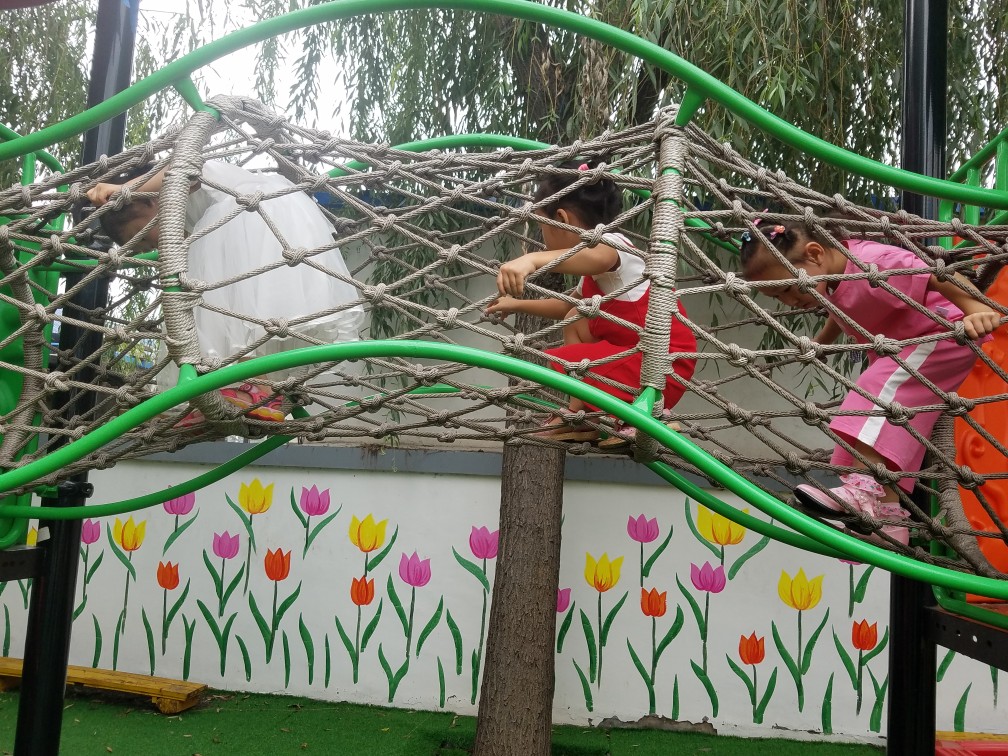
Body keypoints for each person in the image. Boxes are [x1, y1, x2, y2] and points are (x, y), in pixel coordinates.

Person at [739, 218, 1002, 544]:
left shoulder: (872, 262)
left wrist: (975, 308)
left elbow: (935, 274)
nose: (791, 301)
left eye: (789, 289)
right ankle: (888, 520)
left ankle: (861, 492)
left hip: (943, 333)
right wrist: (822, 343)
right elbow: (841, 310)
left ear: (815, 254)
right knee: (888, 427)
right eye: (778, 297)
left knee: (872, 398)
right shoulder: (829, 278)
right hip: (903, 348)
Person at [87, 160, 365, 426]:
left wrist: (126, 188)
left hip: (259, 216)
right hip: (270, 231)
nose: (156, 246)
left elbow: (184, 166)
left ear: (149, 200)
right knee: (225, 309)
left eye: (145, 235)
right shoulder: (196, 221)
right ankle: (253, 390)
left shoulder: (182, 182)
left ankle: (254, 388)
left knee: (218, 298)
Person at [486, 161, 697, 447]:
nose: (542, 239)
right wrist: (515, 305)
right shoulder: (594, 278)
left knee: (575, 328)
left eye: (541, 226)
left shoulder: (613, 244)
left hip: (661, 364)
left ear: (561, 218)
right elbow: (565, 307)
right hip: (635, 357)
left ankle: (650, 415)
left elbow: (599, 256)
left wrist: (532, 260)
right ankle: (581, 414)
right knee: (576, 315)